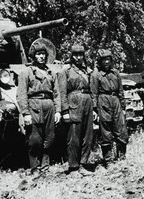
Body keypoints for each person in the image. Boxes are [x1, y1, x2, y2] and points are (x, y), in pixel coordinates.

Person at [17, 42, 60, 172]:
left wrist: (58, 110)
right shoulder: (26, 72)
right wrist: (25, 113)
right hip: (34, 105)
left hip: (49, 105)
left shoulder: (51, 72)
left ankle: (45, 166)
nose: (41, 57)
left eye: (43, 54)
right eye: (38, 54)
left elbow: (57, 93)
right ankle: (35, 168)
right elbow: (22, 94)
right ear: (33, 56)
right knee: (34, 140)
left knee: (50, 138)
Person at [56, 44, 95, 175]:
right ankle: (73, 167)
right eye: (76, 55)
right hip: (73, 102)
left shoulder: (87, 71)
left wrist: (94, 109)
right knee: (74, 137)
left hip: (87, 101)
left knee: (88, 135)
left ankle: (84, 164)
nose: (78, 58)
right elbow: (62, 92)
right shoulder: (65, 71)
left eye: (80, 55)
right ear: (71, 56)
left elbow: (92, 90)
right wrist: (65, 111)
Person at [90, 49, 129, 166]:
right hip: (103, 102)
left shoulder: (115, 73)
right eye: (104, 60)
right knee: (106, 131)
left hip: (115, 101)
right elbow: (94, 93)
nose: (106, 62)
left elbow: (121, 91)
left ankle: (121, 157)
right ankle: (109, 160)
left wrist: (123, 107)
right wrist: (95, 109)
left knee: (121, 130)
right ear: (100, 62)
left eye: (108, 59)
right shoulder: (96, 75)